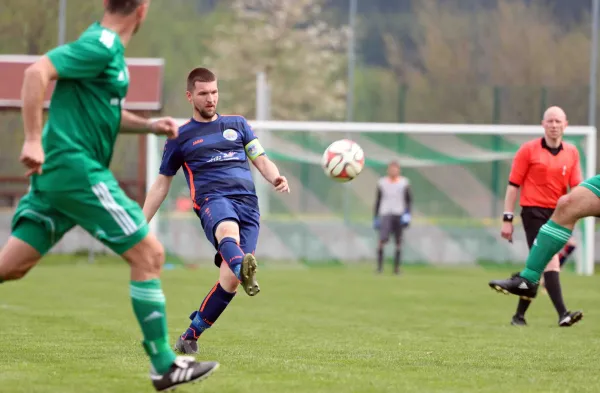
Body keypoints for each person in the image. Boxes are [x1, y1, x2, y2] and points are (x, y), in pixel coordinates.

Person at [0, 1, 219, 391]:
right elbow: (36, 72)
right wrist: (32, 138)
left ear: (106, 3)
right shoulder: (101, 44)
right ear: (143, 10)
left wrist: (150, 126)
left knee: (11, 266)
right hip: (76, 170)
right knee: (150, 254)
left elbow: (106, 115)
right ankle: (164, 365)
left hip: (60, 178)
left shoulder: (105, 50)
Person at [143, 67, 290, 355]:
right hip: (213, 199)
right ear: (190, 96)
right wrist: (140, 224)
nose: (211, 99)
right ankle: (241, 266)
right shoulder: (179, 137)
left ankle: (190, 335)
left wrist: (275, 177)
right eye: (203, 93)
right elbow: (162, 184)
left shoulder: (238, 124)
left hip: (248, 205)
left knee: (230, 282)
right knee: (228, 232)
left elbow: (260, 158)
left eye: (214, 92)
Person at [499, 106, 583, 327]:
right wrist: (507, 219)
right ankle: (563, 314)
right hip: (533, 212)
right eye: (550, 121)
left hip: (558, 213)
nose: (554, 125)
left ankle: (519, 316)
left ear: (566, 125)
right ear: (543, 124)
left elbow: (576, 188)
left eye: (558, 121)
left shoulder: (572, 152)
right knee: (550, 261)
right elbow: (513, 186)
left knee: (537, 266)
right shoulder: (528, 150)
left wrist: (576, 214)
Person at [373, 161, 412, 275]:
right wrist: (375, 216)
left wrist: (407, 214)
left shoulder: (404, 183)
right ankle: (379, 268)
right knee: (382, 240)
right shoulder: (382, 183)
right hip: (385, 213)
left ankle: (396, 269)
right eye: (391, 169)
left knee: (398, 242)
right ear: (388, 170)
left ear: (399, 170)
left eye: (395, 169)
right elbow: (378, 200)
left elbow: (408, 200)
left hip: (398, 213)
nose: (393, 171)